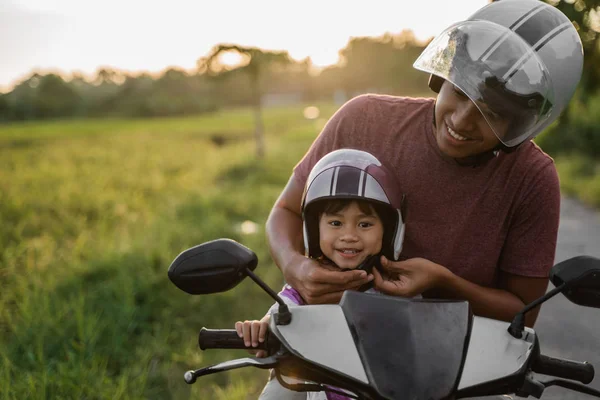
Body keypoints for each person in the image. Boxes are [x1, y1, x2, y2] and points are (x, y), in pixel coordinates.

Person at [265, 0, 584, 328]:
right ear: (441, 77)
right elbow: (286, 211)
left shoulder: (531, 178)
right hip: (331, 342)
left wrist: (444, 282)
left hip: (463, 363)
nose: (462, 121)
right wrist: (296, 268)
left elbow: (524, 312)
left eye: (493, 113)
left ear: (519, 125)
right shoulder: (363, 120)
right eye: (460, 92)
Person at [236, 149, 406, 399]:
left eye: (365, 224)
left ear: (389, 230)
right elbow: (281, 315)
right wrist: (260, 330)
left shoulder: (397, 287)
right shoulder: (307, 288)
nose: (349, 235)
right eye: (336, 223)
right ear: (313, 230)